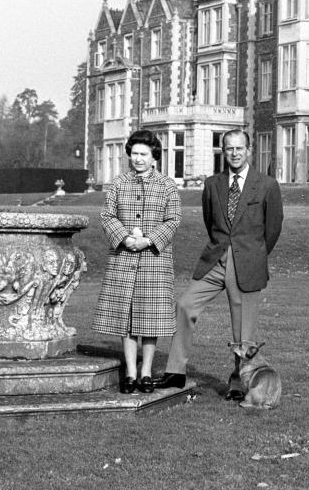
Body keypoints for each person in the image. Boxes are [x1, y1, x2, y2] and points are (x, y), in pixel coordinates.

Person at [155, 129, 283, 401]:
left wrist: (253, 256)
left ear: (248, 150)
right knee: (185, 304)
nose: (235, 153)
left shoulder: (267, 185)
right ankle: (176, 371)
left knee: (243, 331)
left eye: (239, 148)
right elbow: (211, 221)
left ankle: (238, 383)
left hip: (247, 263)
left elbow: (272, 230)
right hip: (215, 259)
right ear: (223, 151)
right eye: (229, 149)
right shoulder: (213, 184)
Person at [92, 130, 182, 394]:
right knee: (127, 317)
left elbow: (174, 219)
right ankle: (130, 372)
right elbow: (107, 216)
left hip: (155, 259)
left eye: (144, 154)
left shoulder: (167, 186)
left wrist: (149, 240)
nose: (138, 159)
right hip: (124, 258)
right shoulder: (118, 184)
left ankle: (146, 372)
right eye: (134, 154)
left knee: (150, 317)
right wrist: (124, 238)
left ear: (154, 156)